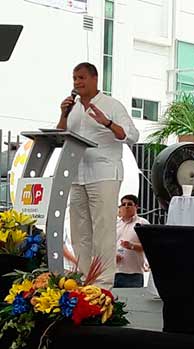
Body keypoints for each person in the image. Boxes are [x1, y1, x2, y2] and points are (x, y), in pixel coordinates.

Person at [57, 62, 139, 288]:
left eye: (81, 77)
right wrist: (63, 114)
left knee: (103, 229)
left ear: (95, 79)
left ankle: (102, 283)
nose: (77, 82)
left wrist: (108, 123)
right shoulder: (71, 107)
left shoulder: (111, 105)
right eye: (74, 78)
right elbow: (60, 135)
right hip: (76, 173)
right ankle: (85, 279)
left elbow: (132, 136)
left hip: (103, 173)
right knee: (78, 229)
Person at [115, 194, 149, 288]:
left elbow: (150, 246)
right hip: (113, 273)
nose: (126, 207)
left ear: (136, 207)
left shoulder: (142, 224)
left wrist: (132, 246)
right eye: (123, 204)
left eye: (129, 204)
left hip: (133, 275)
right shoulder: (115, 225)